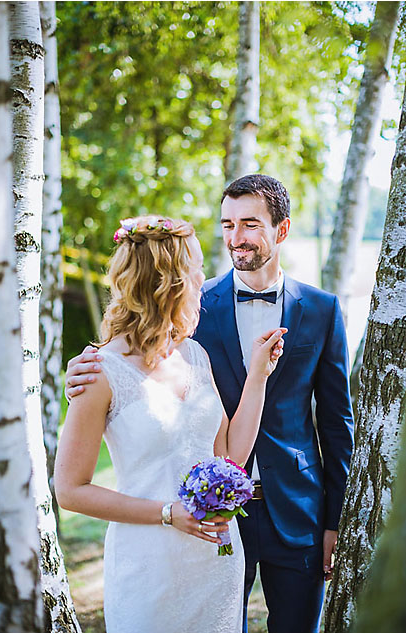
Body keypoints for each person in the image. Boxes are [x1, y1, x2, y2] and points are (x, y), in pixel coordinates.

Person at [65, 174, 354, 632]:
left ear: (281, 229)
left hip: (284, 517)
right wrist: (83, 382)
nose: (234, 239)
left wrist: (336, 522)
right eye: (227, 224)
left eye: (250, 224)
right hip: (181, 541)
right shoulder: (191, 318)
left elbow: (334, 426)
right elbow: (132, 368)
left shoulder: (316, 311)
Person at [55, 215, 285, 633]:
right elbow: (70, 490)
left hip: (216, 561)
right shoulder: (98, 372)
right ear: (169, 284)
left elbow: (230, 455)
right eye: (195, 272)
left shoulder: (195, 356)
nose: (204, 281)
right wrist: (168, 513)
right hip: (147, 565)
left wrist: (258, 376)